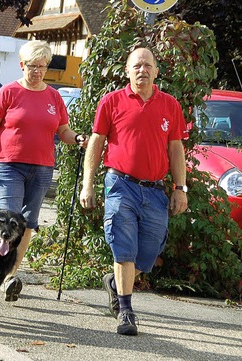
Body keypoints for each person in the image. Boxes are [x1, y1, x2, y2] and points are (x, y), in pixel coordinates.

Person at [79, 47, 188, 336]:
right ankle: (126, 311)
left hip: (154, 190)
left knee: (148, 255)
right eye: (136, 65)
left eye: (147, 65)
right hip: (120, 184)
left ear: (156, 71)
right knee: (123, 246)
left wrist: (180, 187)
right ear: (127, 70)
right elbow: (96, 143)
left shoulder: (170, 105)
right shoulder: (111, 102)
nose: (142, 70)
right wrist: (87, 183)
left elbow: (176, 148)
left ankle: (115, 283)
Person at [0, 40, 88, 303]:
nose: (37, 71)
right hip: (9, 164)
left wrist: (78, 138)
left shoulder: (54, 97)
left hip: (42, 168)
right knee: (8, 220)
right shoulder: (8, 92)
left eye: (42, 66)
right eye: (33, 66)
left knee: (27, 224)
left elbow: (63, 131)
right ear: (22, 65)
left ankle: (10, 275)